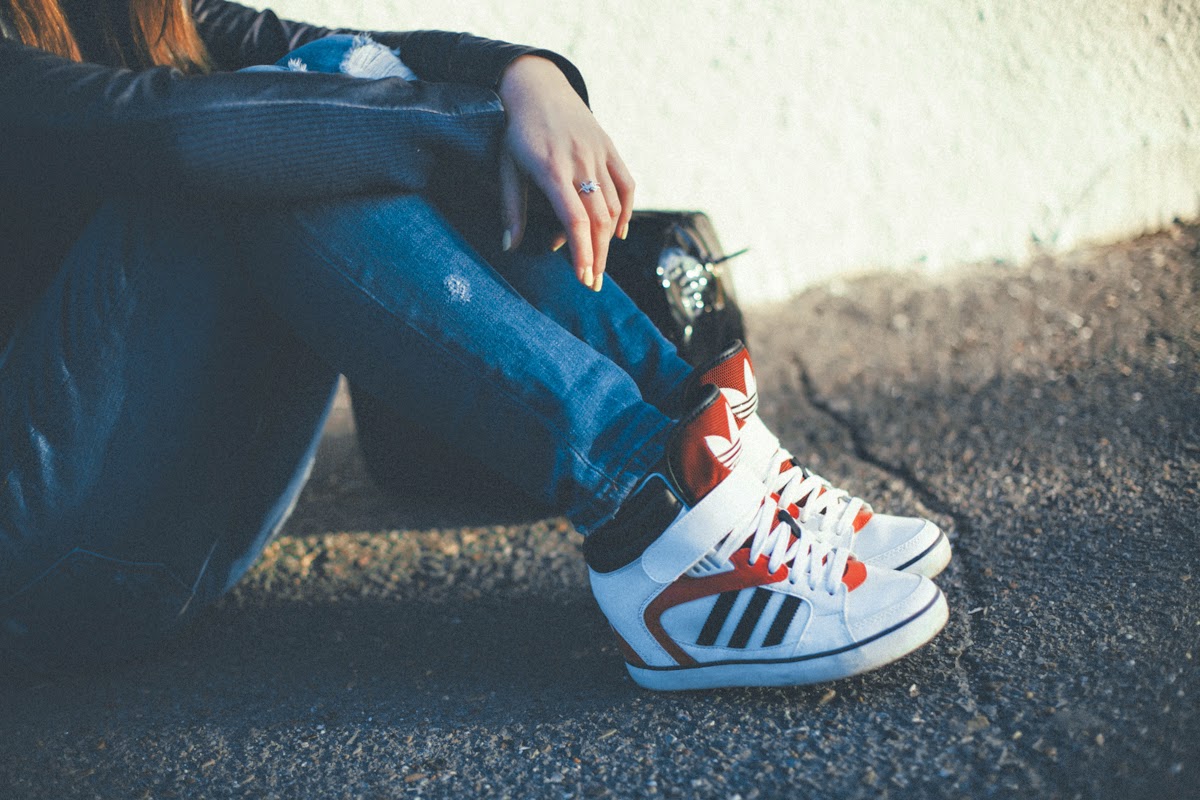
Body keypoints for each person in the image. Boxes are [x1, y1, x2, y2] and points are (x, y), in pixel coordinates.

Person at [0, 0, 952, 689]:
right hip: (43, 577)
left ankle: (705, 458)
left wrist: (526, 80)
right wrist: (474, 130)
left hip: (181, 535)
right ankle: (651, 512)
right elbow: (171, 137)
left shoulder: (144, 12)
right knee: (265, 135)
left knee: (327, 84)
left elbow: (355, 62)